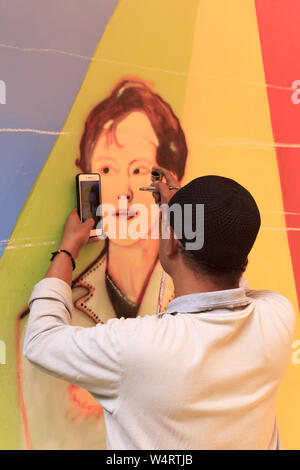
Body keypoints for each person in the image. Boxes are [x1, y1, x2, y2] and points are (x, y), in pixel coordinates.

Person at [23, 168, 295, 450]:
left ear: (174, 243)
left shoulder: (138, 347)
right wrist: (182, 217)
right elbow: (228, 270)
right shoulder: (277, 316)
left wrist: (67, 251)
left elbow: (41, 340)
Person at [18, 79, 188, 449]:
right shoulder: (59, 315)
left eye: (140, 170)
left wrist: (67, 250)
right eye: (107, 170)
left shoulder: (193, 303)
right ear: (89, 178)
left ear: (167, 185)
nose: (124, 190)